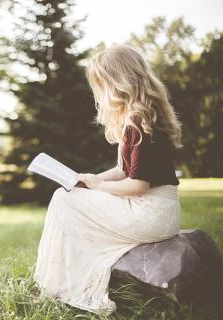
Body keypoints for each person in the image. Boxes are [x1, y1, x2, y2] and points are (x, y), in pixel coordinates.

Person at [33, 44, 183, 316]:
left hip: (151, 211)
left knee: (62, 201)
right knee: (67, 196)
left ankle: (57, 286)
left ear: (118, 82)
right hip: (155, 210)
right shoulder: (139, 116)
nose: (99, 94)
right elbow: (122, 170)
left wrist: (99, 187)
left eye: (101, 85)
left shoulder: (139, 120)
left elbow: (137, 186)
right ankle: (59, 284)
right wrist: (87, 179)